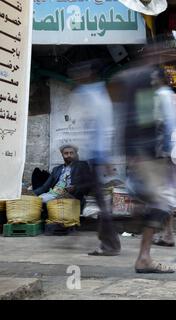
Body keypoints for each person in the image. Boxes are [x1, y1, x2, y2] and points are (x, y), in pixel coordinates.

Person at [123, 63, 176, 273]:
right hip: (151, 158)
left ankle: (145, 254)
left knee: (158, 201)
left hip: (152, 157)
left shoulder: (155, 96)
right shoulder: (157, 96)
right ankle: (144, 257)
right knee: (161, 202)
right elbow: (161, 128)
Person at [67, 59, 122, 256]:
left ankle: (110, 244)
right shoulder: (94, 93)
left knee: (100, 200)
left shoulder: (94, 94)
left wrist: (105, 157)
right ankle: (110, 242)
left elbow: (104, 126)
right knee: (100, 200)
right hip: (94, 156)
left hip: (97, 156)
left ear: (89, 74)